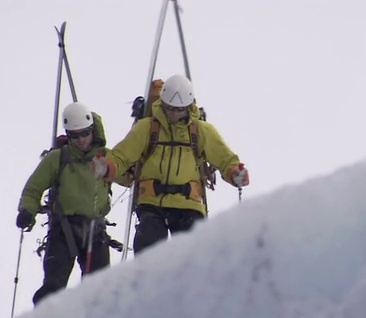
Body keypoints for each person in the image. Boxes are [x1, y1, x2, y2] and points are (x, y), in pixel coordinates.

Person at [92, 74, 250, 255]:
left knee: (192, 255)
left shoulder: (201, 131)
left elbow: (225, 158)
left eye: (179, 109)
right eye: (170, 109)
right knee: (148, 248)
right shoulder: (147, 128)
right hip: (151, 203)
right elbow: (122, 155)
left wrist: (234, 173)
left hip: (188, 205)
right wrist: (108, 166)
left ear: (188, 107)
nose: (174, 114)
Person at [16, 102, 117, 306]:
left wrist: (111, 170)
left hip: (95, 232)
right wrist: (27, 211)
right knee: (54, 285)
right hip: (63, 231)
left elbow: (125, 172)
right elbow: (33, 188)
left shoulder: (105, 157)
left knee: (100, 289)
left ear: (92, 131)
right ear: (68, 136)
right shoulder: (58, 158)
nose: (80, 140)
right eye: (75, 136)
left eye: (85, 134)